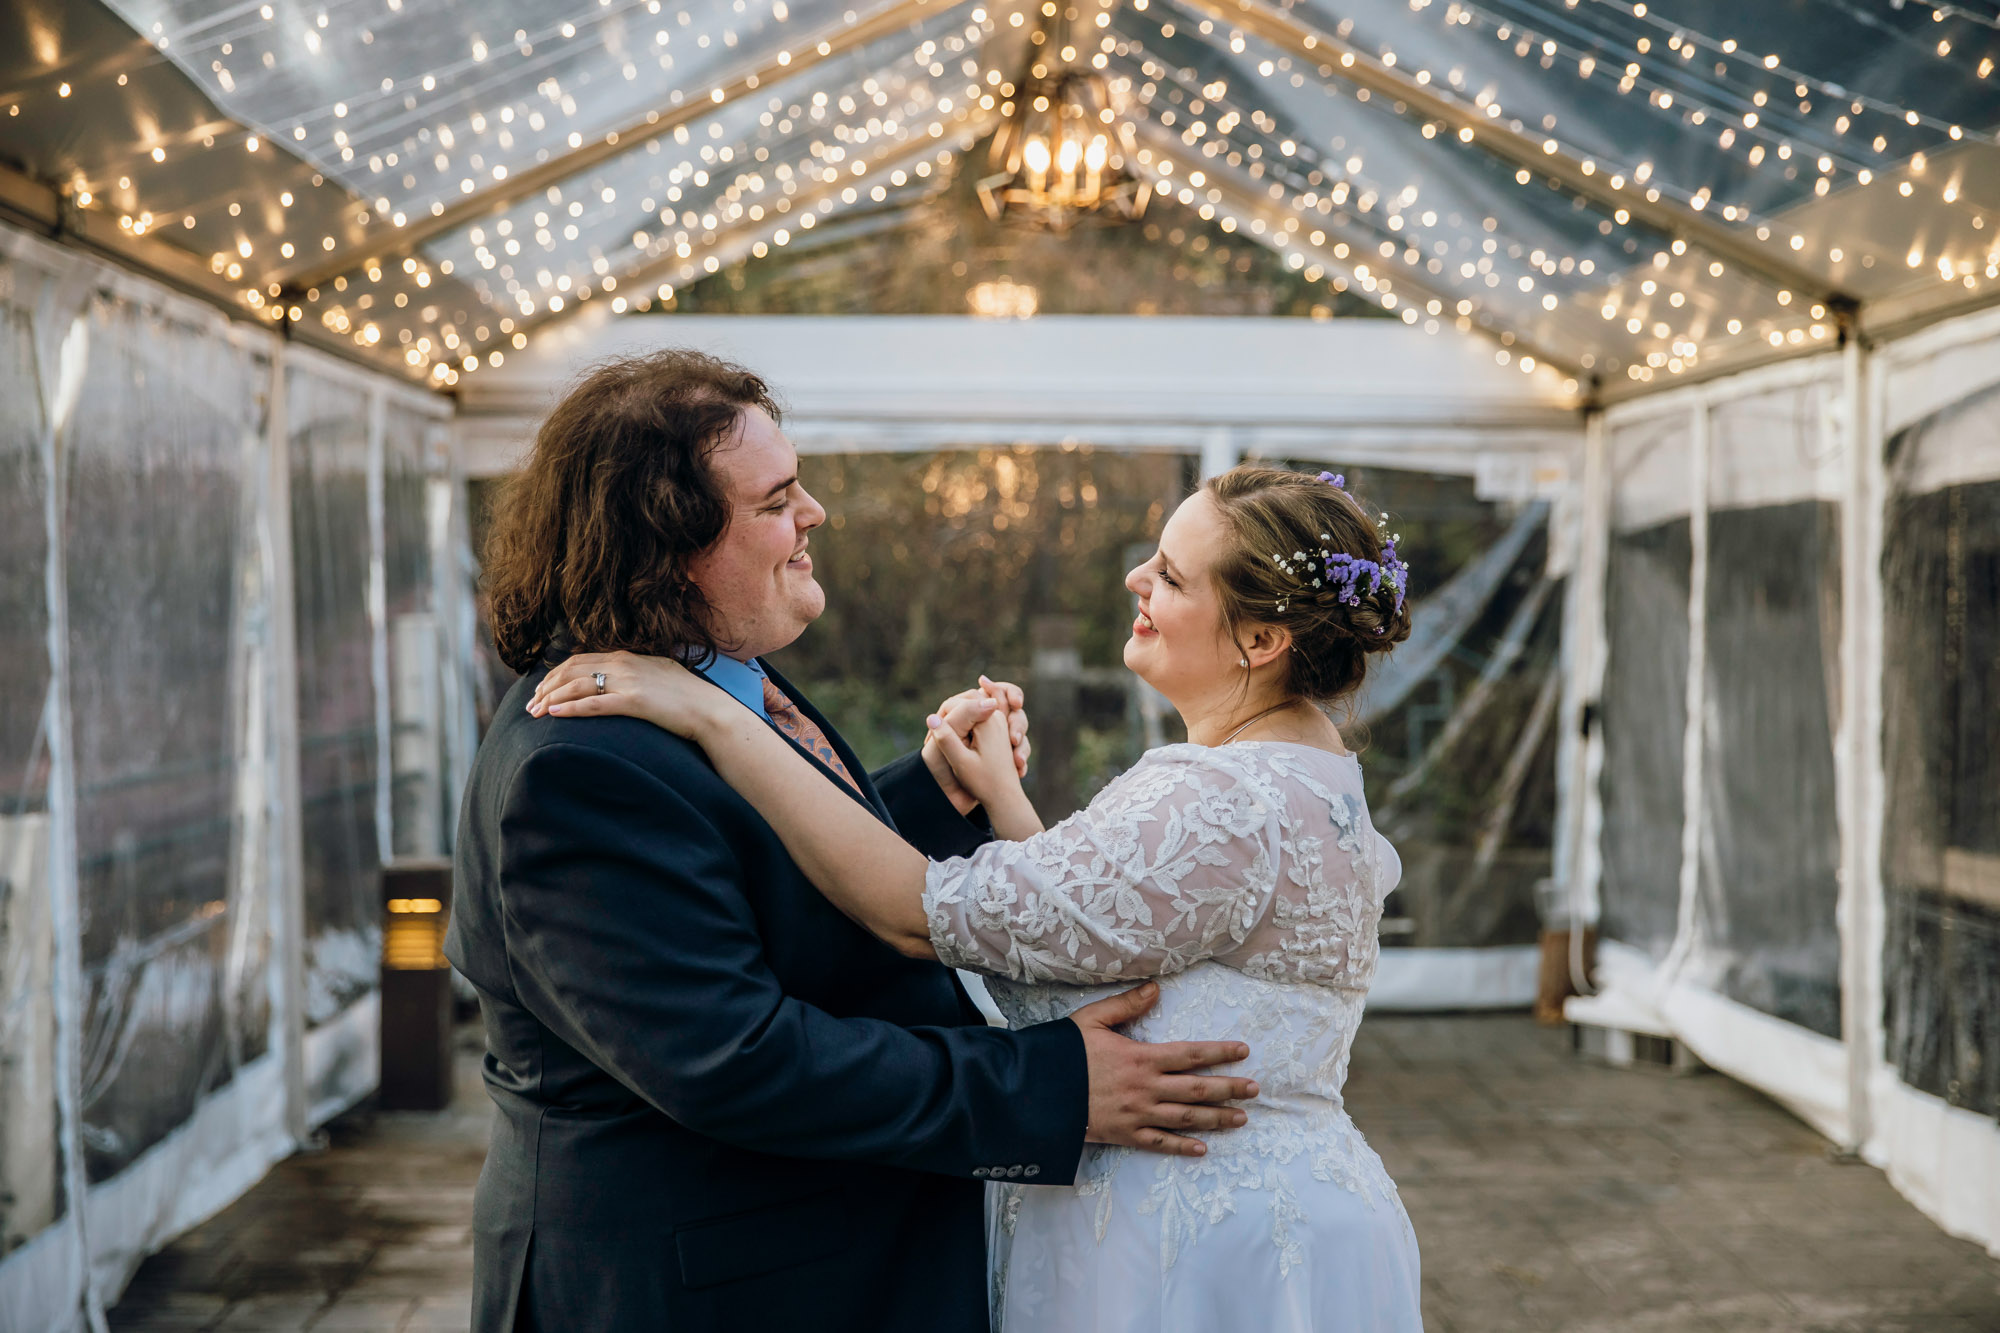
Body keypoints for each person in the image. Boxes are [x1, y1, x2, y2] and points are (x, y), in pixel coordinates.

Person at [445, 349, 1259, 1333]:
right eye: (776, 499)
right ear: (667, 547)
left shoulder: (710, 674)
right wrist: (1048, 1089)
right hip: (700, 1286)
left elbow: (732, 866)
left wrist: (931, 797)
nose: (814, 515)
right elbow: (731, 1057)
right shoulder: (577, 766)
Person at [535, 463, 1426, 1332]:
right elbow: (1114, 932)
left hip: (1188, 1246)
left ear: (1260, 641)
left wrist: (712, 716)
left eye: (1171, 574)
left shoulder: (1215, 797)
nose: (1135, 577)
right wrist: (998, 797)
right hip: (1285, 1216)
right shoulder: (1310, 774)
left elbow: (916, 910)